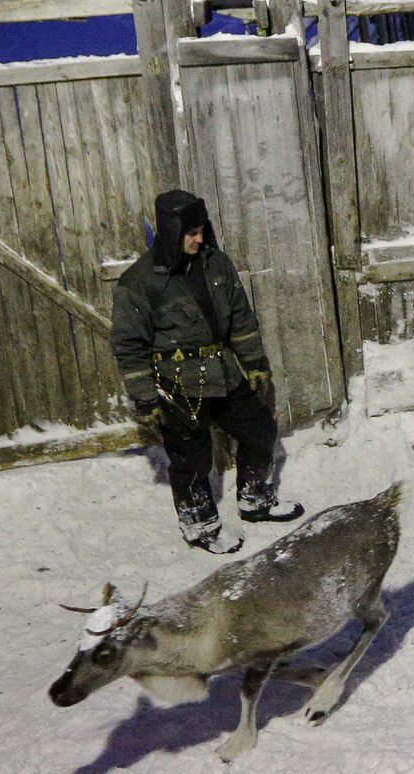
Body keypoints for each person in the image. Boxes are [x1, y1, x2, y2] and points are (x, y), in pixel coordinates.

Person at [111, 190, 303, 553]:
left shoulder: (217, 265)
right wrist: (145, 399)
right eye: (190, 233)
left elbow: (242, 320)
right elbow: (129, 348)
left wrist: (255, 363)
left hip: (224, 373)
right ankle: (199, 526)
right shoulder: (139, 283)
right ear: (170, 232)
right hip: (178, 384)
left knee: (260, 430)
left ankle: (255, 499)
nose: (200, 239)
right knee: (191, 460)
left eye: (202, 230)